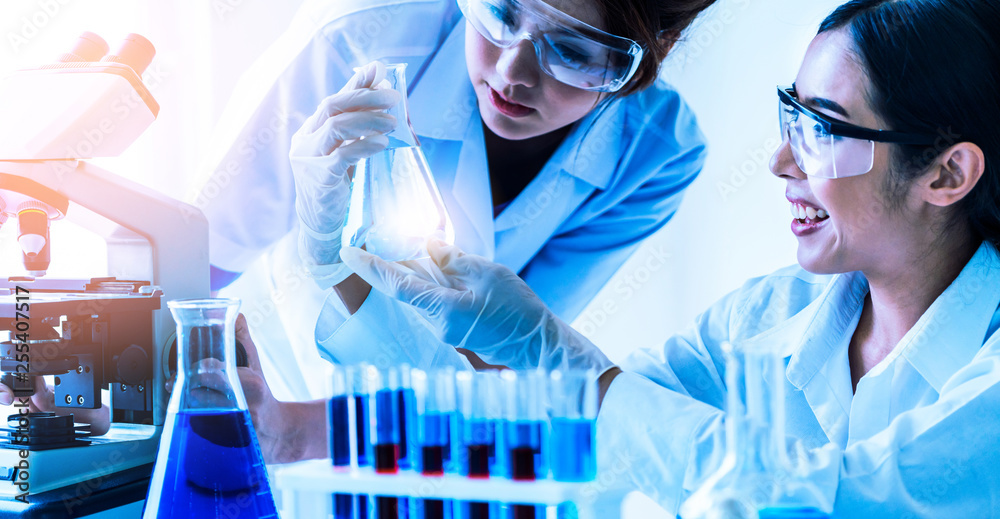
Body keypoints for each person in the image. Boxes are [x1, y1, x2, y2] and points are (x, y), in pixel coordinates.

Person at [338, 0, 1000, 515]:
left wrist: (554, 353)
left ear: (946, 175)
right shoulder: (768, 316)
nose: (781, 161)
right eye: (791, 117)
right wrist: (303, 420)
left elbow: (839, 503)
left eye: (823, 129)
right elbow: (567, 446)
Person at [194, 0, 716, 398]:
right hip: (270, 384)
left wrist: (310, 432)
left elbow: (505, 356)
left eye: (573, 50)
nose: (513, 71)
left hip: (440, 429)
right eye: (500, 12)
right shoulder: (362, 37)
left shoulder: (656, 152)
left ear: (649, 60)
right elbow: (194, 262)